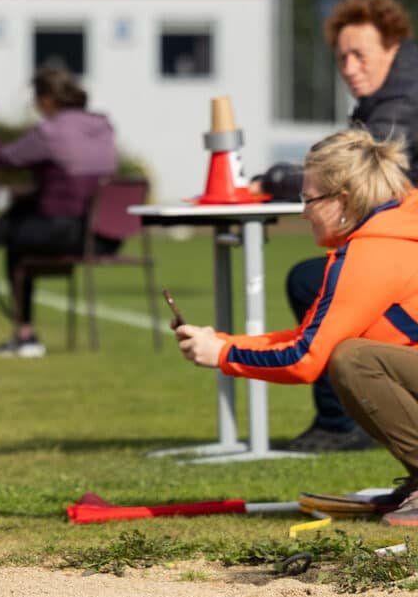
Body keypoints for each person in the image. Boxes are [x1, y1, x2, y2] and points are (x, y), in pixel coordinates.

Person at [176, 128, 418, 524]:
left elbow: (306, 359)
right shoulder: (398, 226)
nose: (303, 210)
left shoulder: (369, 255)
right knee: (353, 354)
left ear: (342, 200)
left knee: (353, 362)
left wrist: (222, 354)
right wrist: (223, 342)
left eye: (308, 199)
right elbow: (312, 338)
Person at [256, 0, 418, 451]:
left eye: (359, 55)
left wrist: (286, 179)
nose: (349, 67)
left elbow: (356, 173)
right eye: (341, 57)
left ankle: (338, 422)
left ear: (393, 47)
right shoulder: (391, 93)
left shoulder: (400, 101)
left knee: (318, 282)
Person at [0, 63, 118, 357]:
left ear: (46, 99)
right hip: (106, 234)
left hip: (63, 231)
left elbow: (5, 159)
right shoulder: (102, 126)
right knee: (22, 210)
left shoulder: (50, 131)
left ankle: (24, 332)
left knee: (17, 241)